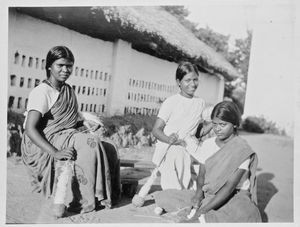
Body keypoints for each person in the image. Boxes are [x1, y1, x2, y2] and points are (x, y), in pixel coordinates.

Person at [21, 46, 120, 218]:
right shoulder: (41, 92)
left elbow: (71, 118)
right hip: (44, 139)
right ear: (49, 66)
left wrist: (86, 122)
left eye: (69, 66)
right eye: (60, 65)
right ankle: (81, 201)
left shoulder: (68, 90)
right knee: (88, 143)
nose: (65, 70)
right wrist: (55, 152)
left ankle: (104, 196)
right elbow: (30, 128)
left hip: (65, 134)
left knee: (109, 147)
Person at [185, 101, 262, 223]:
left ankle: (206, 215)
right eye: (214, 124)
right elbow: (201, 175)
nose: (217, 129)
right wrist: (199, 194)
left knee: (247, 213)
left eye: (222, 124)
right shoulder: (208, 144)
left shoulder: (241, 149)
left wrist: (202, 211)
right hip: (210, 191)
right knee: (172, 198)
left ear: (235, 124)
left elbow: (229, 187)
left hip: (235, 194)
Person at [152, 61, 212, 191]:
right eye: (187, 80)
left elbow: (197, 133)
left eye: (195, 80)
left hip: (189, 145)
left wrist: (213, 123)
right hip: (168, 146)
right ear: (178, 82)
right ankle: (174, 195)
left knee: (210, 158)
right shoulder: (171, 102)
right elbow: (156, 130)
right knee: (177, 153)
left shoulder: (200, 102)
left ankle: (184, 195)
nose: (193, 84)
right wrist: (169, 140)